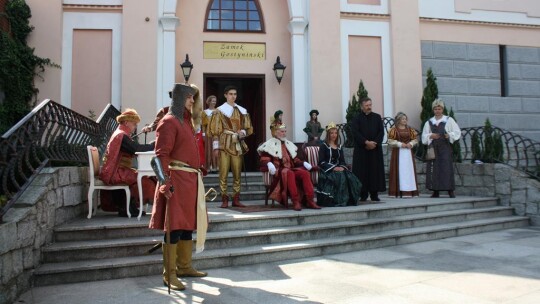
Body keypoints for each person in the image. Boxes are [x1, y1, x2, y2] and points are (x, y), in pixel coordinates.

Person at [148, 83, 209, 291]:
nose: (193, 100)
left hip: (190, 181)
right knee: (173, 227)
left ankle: (184, 266)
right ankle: (170, 273)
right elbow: (160, 155)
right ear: (180, 98)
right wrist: (165, 182)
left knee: (186, 226)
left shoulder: (186, 122)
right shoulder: (169, 122)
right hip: (175, 180)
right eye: (190, 97)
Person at [99, 109, 156, 217]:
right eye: (134, 124)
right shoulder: (121, 136)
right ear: (126, 122)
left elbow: (134, 148)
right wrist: (154, 145)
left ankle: (130, 206)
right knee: (145, 180)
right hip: (115, 172)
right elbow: (135, 148)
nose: (135, 127)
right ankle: (126, 207)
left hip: (117, 170)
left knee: (143, 177)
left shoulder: (120, 134)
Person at [208, 85, 253, 208]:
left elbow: (247, 128)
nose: (233, 96)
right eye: (231, 94)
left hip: (236, 144)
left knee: (237, 173)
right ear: (225, 95)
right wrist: (216, 147)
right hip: (224, 144)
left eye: (235, 94)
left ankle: (236, 198)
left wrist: (242, 132)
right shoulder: (219, 111)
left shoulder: (241, 110)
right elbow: (214, 131)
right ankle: (224, 199)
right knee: (223, 173)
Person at [258, 124, 321, 211]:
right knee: (289, 173)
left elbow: (295, 160)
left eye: (285, 131)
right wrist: (269, 164)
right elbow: (263, 159)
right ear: (276, 132)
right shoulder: (269, 144)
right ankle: (295, 202)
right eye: (282, 131)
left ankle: (310, 201)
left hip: (291, 169)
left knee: (305, 173)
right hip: (279, 171)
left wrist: (304, 163)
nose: (284, 133)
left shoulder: (288, 144)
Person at [421, 99, 461, 198]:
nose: (437, 111)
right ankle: (435, 191)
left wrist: (449, 135)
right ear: (433, 110)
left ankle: (450, 190)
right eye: (435, 109)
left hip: (445, 148)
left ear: (442, 109)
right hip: (433, 148)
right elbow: (424, 136)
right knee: (433, 169)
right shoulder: (429, 122)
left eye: (439, 109)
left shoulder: (448, 120)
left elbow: (457, 132)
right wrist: (431, 135)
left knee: (446, 168)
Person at [316, 122, 362, 207]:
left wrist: (341, 167)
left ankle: (347, 199)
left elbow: (342, 161)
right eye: (331, 133)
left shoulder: (339, 146)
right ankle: (337, 200)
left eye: (336, 133)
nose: (334, 135)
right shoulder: (323, 146)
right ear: (328, 134)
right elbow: (321, 162)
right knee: (340, 176)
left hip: (339, 169)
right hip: (327, 171)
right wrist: (333, 168)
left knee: (351, 177)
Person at [351, 97, 386, 201]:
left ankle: (374, 194)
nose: (369, 107)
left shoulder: (377, 117)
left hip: (374, 150)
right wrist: (365, 142)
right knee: (362, 172)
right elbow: (355, 132)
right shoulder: (356, 118)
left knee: (374, 172)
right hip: (362, 150)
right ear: (362, 106)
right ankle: (363, 194)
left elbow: (381, 132)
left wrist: (374, 143)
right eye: (366, 105)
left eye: (370, 105)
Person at [388, 112, 419, 198]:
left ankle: (409, 190)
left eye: (405, 119)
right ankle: (398, 191)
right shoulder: (394, 130)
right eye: (403, 119)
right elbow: (390, 141)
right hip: (398, 153)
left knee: (408, 171)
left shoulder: (410, 130)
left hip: (408, 154)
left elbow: (415, 140)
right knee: (399, 170)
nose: (405, 120)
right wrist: (400, 144)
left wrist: (411, 144)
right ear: (399, 120)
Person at [202, 95, 219, 173]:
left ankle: (216, 167)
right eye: (212, 101)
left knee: (216, 150)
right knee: (208, 150)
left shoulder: (218, 112)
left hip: (216, 134)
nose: (214, 102)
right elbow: (203, 125)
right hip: (208, 134)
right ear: (209, 102)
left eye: (215, 101)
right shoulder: (204, 112)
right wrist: (203, 134)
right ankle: (208, 167)